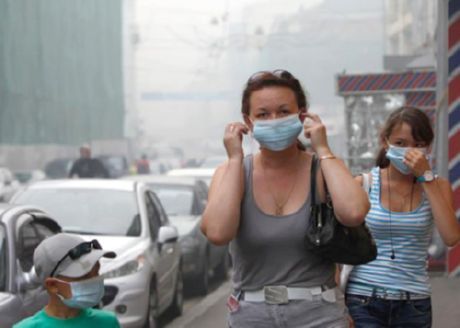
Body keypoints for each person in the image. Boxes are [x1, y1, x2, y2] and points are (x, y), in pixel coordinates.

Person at [201, 70, 370, 327]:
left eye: (283, 111)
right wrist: (235, 158)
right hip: (251, 313)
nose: (274, 120)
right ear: (247, 121)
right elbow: (217, 232)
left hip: (319, 312)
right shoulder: (231, 172)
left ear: (302, 116)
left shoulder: (323, 168)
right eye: (263, 114)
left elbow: (354, 212)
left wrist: (323, 148)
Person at [344, 106, 460, 327]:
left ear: (428, 147)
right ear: (385, 141)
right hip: (364, 298)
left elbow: (451, 237)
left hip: (413, 301)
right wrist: (342, 305)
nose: (410, 152)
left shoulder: (437, 185)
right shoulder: (364, 183)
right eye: (400, 143)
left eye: (418, 145)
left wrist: (426, 177)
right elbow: (342, 244)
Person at [13, 233, 120, 328]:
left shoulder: (108, 323)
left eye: (96, 271)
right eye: (84, 276)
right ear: (52, 285)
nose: (95, 280)